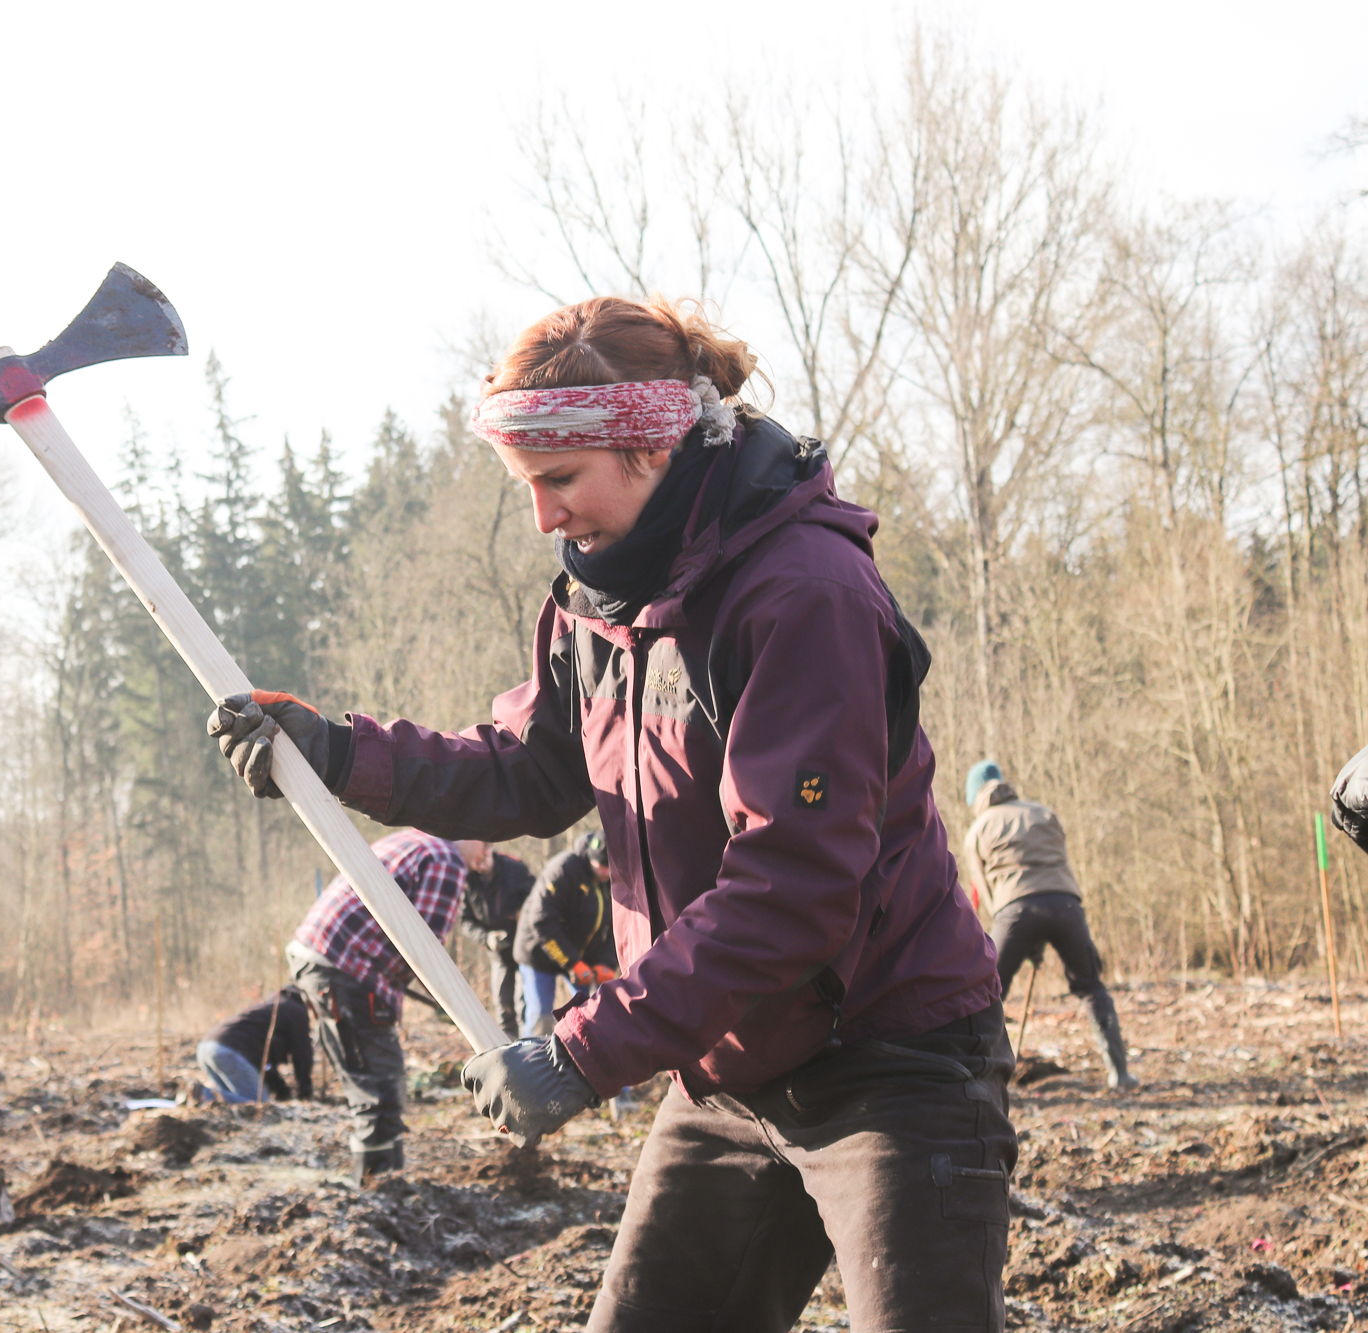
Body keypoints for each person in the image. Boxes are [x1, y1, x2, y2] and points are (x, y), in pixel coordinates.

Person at [209, 294, 1008, 1331]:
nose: (543, 517)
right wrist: (337, 754)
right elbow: (523, 773)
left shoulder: (801, 595)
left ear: (647, 446)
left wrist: (582, 1050)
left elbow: (791, 893)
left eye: (558, 481)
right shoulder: (595, 606)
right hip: (727, 1067)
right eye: (525, 487)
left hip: (891, 1061)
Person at [273, 827, 482, 1186]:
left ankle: (380, 1186)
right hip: (346, 967)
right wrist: (458, 1007)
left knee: (371, 1084)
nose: (488, 852)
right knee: (380, 1088)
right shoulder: (446, 860)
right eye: (487, 840)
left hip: (320, 955)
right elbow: (424, 952)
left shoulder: (413, 840)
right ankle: (378, 1193)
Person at [964, 760, 1138, 1091]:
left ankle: (981, 1077)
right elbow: (1058, 861)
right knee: (1091, 987)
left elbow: (984, 890)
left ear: (975, 797)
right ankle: (1120, 1073)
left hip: (1014, 909)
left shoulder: (979, 828)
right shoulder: (1042, 812)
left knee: (988, 992)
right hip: (1066, 904)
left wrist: (1014, 932)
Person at [514, 830, 619, 1036]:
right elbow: (542, 921)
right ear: (590, 857)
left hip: (581, 955)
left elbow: (617, 927)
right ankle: (530, 1059)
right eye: (601, 866)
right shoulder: (563, 869)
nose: (606, 872)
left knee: (587, 1012)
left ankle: (580, 1057)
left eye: (610, 867)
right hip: (539, 952)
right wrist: (572, 963)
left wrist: (607, 962)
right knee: (540, 1014)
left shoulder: (617, 879)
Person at [457, 841, 537, 1039]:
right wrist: (487, 938)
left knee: (525, 1000)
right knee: (503, 1003)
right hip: (497, 951)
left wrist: (522, 917)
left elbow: (537, 902)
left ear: (488, 850)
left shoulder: (515, 869)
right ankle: (508, 1044)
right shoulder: (466, 879)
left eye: (483, 859)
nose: (480, 866)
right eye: (475, 863)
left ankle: (531, 1042)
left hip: (525, 946)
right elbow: (466, 921)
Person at [192, 987, 315, 1104]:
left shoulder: (273, 1006)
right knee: (259, 1104)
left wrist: (280, 1090)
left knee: (234, 1099)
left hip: (205, 1048)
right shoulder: (296, 1011)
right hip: (228, 1052)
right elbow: (302, 1054)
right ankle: (203, 1095)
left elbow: (266, 1063)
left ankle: (199, 1095)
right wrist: (305, 1091)